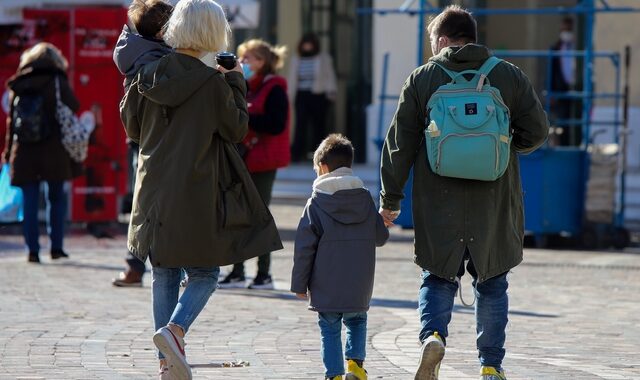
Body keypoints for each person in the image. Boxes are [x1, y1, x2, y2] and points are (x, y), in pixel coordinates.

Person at [378, 6, 548, 380]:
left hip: (439, 200)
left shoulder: (422, 79)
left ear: (440, 40)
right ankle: (490, 365)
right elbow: (537, 131)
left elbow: (398, 145)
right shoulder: (508, 75)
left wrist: (390, 199)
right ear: (471, 37)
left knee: (437, 277)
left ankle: (433, 336)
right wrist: (502, 146)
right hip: (494, 197)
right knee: (492, 281)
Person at [119, 0, 282, 378]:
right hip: (195, 190)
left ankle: (167, 365)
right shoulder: (212, 81)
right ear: (214, 32)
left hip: (153, 188)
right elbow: (236, 129)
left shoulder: (147, 72)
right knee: (205, 274)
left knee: (164, 272)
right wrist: (236, 78)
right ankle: (174, 332)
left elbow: (131, 128)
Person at [291, 134, 389, 380]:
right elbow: (380, 237)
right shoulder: (365, 198)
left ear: (323, 167)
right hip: (359, 282)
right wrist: (382, 222)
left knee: (330, 328)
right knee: (357, 321)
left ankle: (334, 374)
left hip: (326, 282)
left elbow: (304, 248)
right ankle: (355, 365)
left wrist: (299, 285)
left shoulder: (316, 203)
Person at [218, 39, 290, 290]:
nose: (243, 63)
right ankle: (237, 271)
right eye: (242, 58)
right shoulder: (245, 84)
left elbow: (276, 123)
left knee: (259, 216)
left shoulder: (275, 87)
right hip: (244, 158)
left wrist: (244, 116)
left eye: (249, 58)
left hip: (263, 160)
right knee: (237, 215)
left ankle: (264, 274)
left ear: (263, 61)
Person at [112, 0, 173, 287]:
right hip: (157, 139)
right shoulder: (156, 59)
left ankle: (136, 266)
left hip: (139, 139)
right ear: (163, 31)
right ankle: (141, 266)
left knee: (144, 202)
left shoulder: (135, 51)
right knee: (151, 203)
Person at [2, 42, 81, 263]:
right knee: (55, 198)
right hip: (53, 150)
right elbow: (73, 105)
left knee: (29, 200)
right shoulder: (57, 80)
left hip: (24, 151)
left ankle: (32, 250)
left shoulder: (18, 83)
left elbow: (11, 123)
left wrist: (8, 154)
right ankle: (56, 247)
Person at [288, 33, 337, 162]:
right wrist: (289, 95)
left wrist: (331, 92)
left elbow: (329, 75)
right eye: (305, 43)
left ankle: (322, 154)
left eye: (310, 43)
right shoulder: (296, 59)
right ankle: (298, 153)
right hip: (301, 95)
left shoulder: (323, 58)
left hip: (318, 95)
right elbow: (292, 78)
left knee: (319, 126)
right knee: (300, 125)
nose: (307, 46)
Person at [550, 16, 580, 146]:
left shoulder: (576, 47)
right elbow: (551, 72)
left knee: (576, 121)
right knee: (563, 123)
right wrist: (551, 91)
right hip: (561, 91)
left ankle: (576, 144)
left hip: (576, 89)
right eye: (564, 28)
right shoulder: (556, 48)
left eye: (569, 28)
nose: (566, 31)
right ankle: (563, 147)